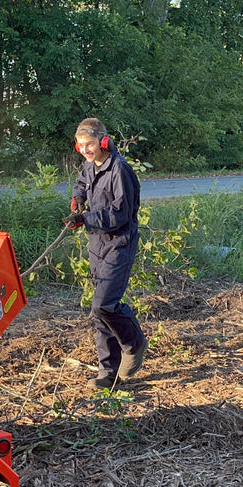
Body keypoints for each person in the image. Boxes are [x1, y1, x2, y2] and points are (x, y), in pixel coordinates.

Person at [62, 118, 148, 389]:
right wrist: (78, 199)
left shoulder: (120, 170)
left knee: (105, 304)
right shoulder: (90, 165)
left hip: (119, 243)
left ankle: (134, 343)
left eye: (90, 144)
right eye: (81, 146)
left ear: (103, 142)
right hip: (97, 245)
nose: (86, 150)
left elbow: (121, 214)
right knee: (98, 311)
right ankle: (108, 373)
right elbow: (81, 181)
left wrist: (85, 219)